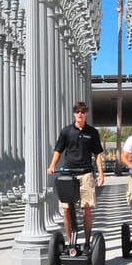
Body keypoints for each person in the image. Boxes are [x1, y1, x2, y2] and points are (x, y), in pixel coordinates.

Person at [47, 101, 105, 251]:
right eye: (78, 111)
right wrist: (53, 165)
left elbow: (97, 154)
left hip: (85, 174)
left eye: (83, 111)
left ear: (86, 114)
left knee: (86, 209)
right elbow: (58, 150)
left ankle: (87, 243)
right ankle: (70, 242)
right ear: (74, 114)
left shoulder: (92, 132)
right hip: (68, 174)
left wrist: (100, 173)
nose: (80, 114)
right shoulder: (66, 131)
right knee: (66, 209)